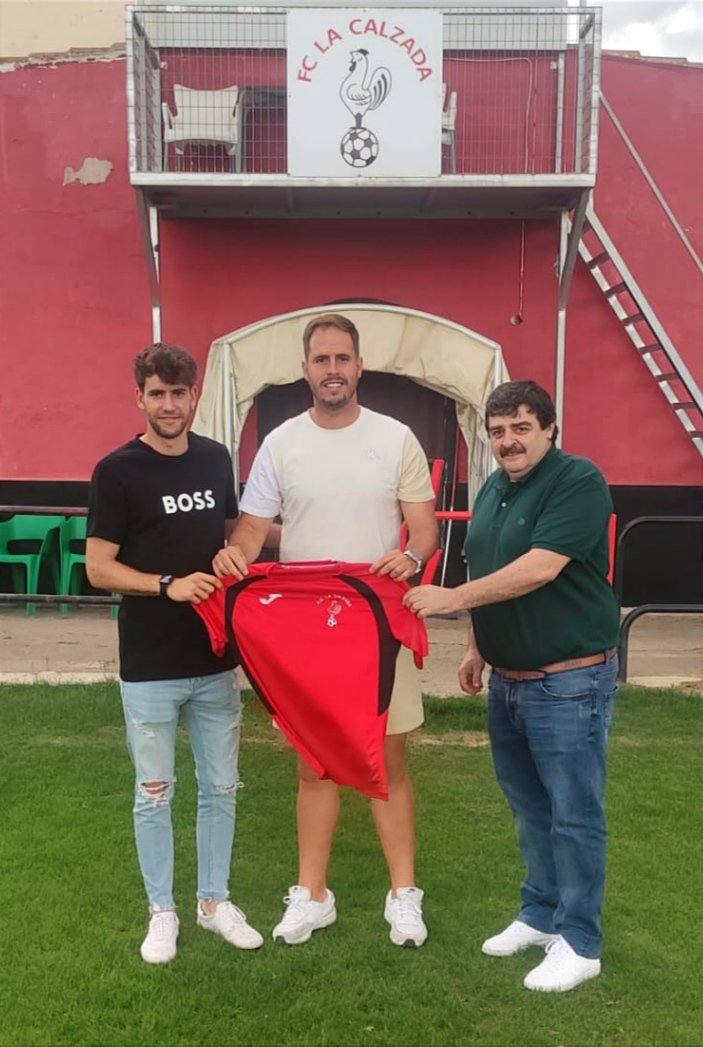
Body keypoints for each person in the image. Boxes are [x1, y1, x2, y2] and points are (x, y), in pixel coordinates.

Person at [213, 313, 439, 948]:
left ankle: (404, 896)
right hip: (307, 635)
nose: (333, 370)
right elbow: (252, 530)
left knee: (388, 760)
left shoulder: (396, 438)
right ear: (305, 368)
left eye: (343, 358)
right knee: (314, 766)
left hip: (377, 628)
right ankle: (313, 895)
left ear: (359, 366)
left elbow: (424, 530)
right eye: (321, 360)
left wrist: (414, 558)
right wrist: (236, 554)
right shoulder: (281, 443)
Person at [405, 380, 620, 993]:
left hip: (570, 679)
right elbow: (489, 565)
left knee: (574, 814)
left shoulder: (577, 480)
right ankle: (540, 912)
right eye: (498, 431)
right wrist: (477, 645)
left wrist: (452, 601)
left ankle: (580, 941)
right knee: (530, 808)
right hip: (510, 680)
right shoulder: (496, 485)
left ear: (549, 429)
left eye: (521, 427)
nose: (508, 441)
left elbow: (538, 568)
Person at [86, 342, 263, 964]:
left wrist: (228, 556)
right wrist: (168, 585)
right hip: (150, 666)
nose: (168, 404)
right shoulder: (117, 471)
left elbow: (228, 535)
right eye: (156, 393)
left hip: (215, 661)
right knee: (154, 792)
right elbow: (97, 568)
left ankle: (213, 902)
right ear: (139, 397)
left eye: (178, 394)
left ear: (193, 398)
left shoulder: (215, 461)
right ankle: (162, 911)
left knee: (222, 788)